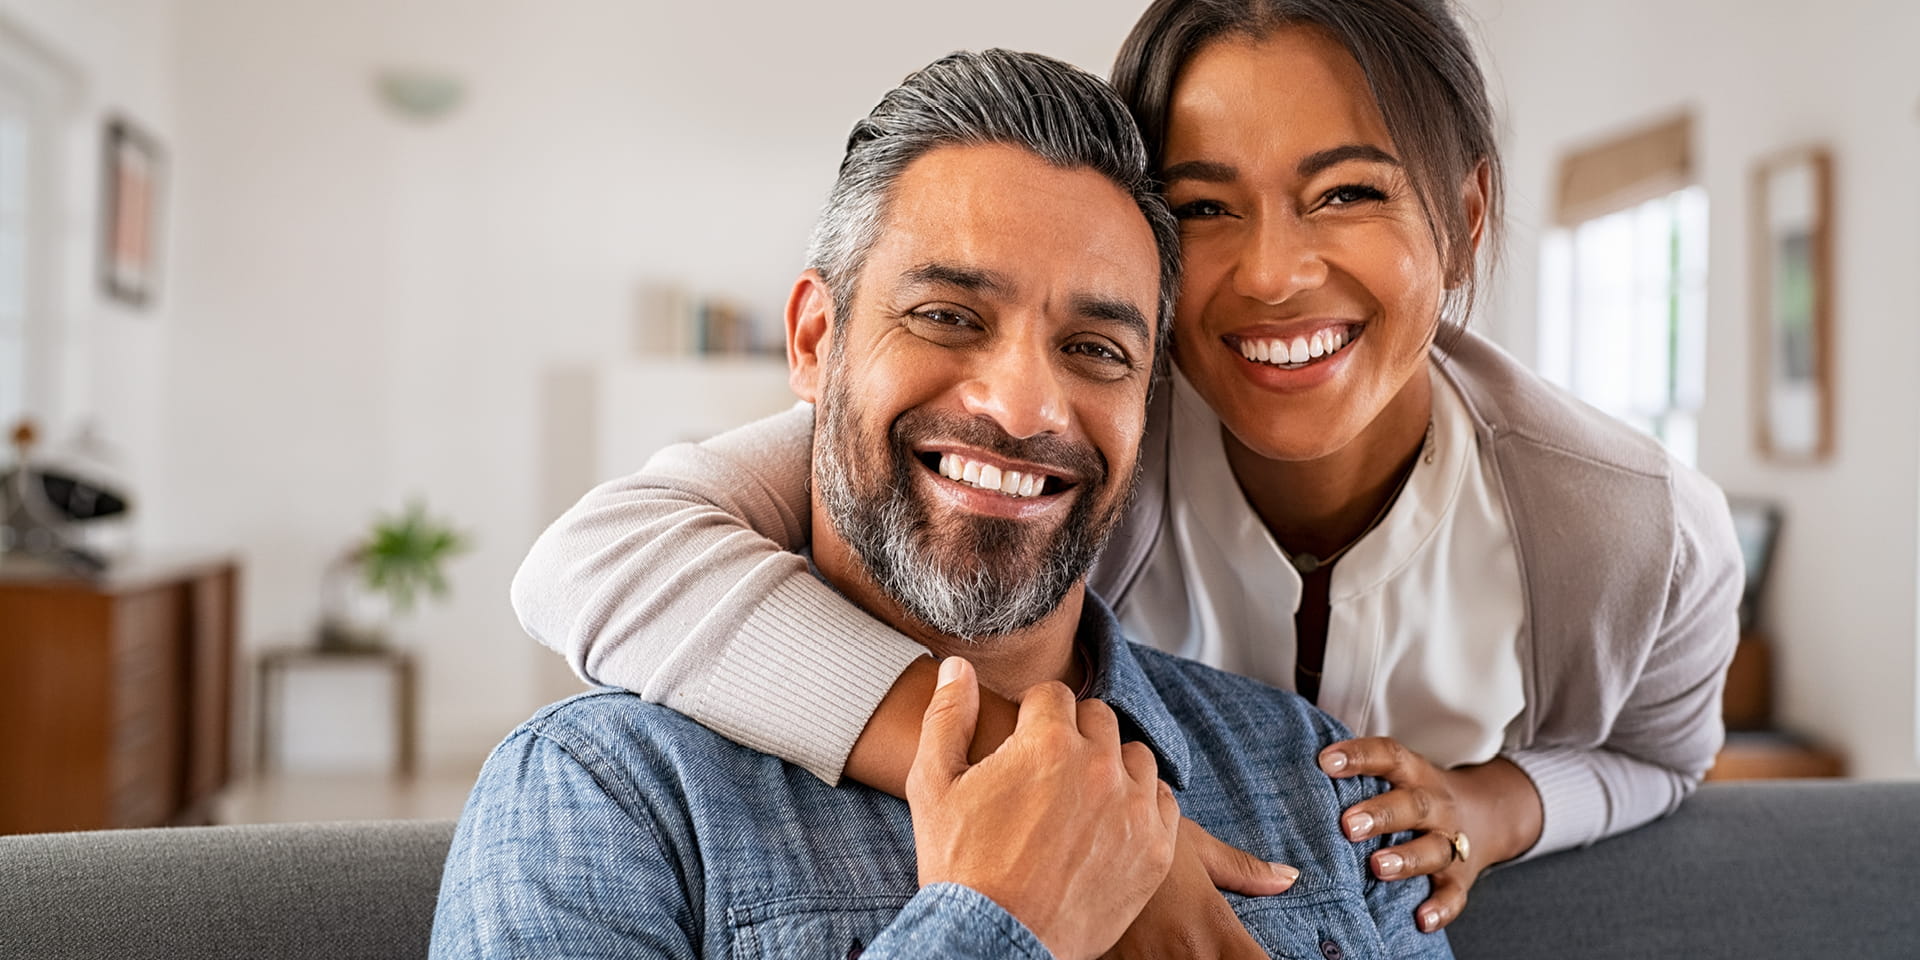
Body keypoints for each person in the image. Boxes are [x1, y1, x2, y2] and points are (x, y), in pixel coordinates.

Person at [512, 0, 1743, 935]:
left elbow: (1661, 757)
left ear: (1466, 217)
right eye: (1205, 209)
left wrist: (1496, 807)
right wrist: (1056, 800)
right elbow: (598, 558)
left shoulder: (1624, 527)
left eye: (1348, 192)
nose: (1271, 274)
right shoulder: (1077, 425)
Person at [433, 48, 1445, 960]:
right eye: (947, 317)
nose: (1023, 405)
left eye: (1096, 349)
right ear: (814, 344)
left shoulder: (1321, 782)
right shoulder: (604, 796)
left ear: (1147, 406)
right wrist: (997, 922)